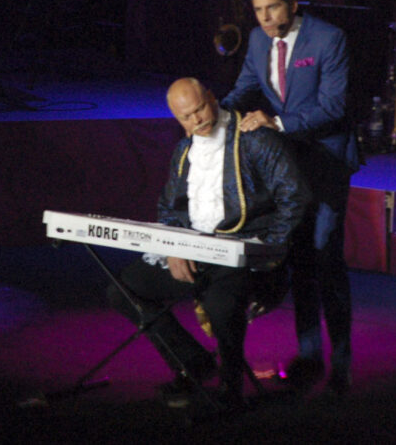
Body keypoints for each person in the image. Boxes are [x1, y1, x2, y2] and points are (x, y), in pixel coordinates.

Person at [107, 77, 310, 409]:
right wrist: (174, 248)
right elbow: (170, 209)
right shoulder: (184, 151)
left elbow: (294, 196)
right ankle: (192, 363)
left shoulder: (254, 139)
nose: (196, 120)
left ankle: (231, 386)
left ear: (212, 99)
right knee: (123, 290)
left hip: (243, 252)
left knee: (221, 304)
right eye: (186, 117)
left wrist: (268, 251)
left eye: (200, 109)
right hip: (195, 250)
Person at [220, 0, 360, 396]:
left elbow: (333, 108)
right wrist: (212, 115)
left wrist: (276, 123)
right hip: (287, 167)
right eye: (258, 10)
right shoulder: (257, 40)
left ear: (292, 5)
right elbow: (245, 89)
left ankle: (341, 365)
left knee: (325, 257)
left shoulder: (328, 39)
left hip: (327, 161)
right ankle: (309, 357)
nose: (264, 18)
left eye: (272, 8)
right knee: (299, 259)